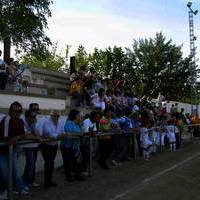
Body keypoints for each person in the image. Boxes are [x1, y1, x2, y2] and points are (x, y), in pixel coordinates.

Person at [0, 102, 29, 196]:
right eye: (15, 111)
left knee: (15, 171)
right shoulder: (7, 119)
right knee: (5, 173)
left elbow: (24, 134)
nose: (17, 113)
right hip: (3, 151)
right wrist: (17, 137)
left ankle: (15, 189)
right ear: (10, 111)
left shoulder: (20, 121)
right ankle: (6, 191)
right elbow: (6, 138)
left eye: (19, 111)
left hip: (12, 150)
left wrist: (17, 137)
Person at [40, 110, 63, 190]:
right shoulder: (46, 122)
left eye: (58, 116)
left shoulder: (59, 123)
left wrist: (57, 136)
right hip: (46, 145)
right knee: (48, 163)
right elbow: (48, 134)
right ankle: (47, 183)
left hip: (54, 145)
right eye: (55, 116)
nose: (56, 117)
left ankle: (49, 181)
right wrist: (58, 136)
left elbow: (60, 133)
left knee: (51, 163)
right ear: (51, 116)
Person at [60, 109, 85, 181]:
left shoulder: (78, 123)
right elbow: (69, 133)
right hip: (67, 146)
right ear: (74, 115)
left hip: (75, 145)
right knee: (67, 162)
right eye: (78, 115)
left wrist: (80, 127)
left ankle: (77, 175)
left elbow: (82, 133)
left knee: (77, 161)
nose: (79, 116)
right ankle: (69, 177)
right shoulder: (69, 122)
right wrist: (79, 133)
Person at [22, 110, 41, 188]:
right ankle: (25, 182)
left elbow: (38, 134)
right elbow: (26, 135)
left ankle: (31, 181)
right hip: (27, 146)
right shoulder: (23, 122)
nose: (34, 118)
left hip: (34, 146)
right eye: (32, 117)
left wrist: (33, 126)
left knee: (32, 165)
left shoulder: (33, 123)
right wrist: (36, 137)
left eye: (35, 116)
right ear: (27, 117)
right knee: (30, 164)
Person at [81, 111, 98, 176]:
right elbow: (85, 132)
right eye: (97, 117)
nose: (98, 119)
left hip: (88, 142)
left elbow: (94, 131)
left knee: (88, 156)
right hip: (83, 141)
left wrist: (93, 133)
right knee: (84, 156)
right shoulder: (86, 121)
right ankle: (83, 170)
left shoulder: (93, 122)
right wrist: (92, 133)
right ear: (93, 117)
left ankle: (85, 169)